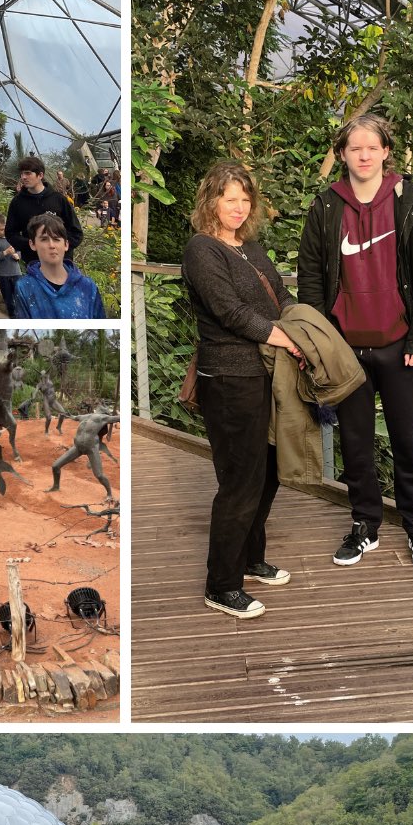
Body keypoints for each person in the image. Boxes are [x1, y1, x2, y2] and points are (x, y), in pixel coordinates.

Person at [298, 113, 413, 571]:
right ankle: (364, 525)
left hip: (402, 346)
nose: (363, 155)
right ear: (342, 154)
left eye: (372, 146)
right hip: (345, 351)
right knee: (356, 443)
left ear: (386, 151)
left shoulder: (411, 202)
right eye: (354, 147)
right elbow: (310, 283)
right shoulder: (326, 208)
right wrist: (321, 346)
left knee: (409, 441)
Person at [181, 161, 304, 620]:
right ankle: (222, 584)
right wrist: (286, 339)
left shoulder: (249, 245)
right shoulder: (201, 249)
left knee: (269, 470)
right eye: (229, 198)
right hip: (230, 377)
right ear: (211, 201)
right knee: (239, 480)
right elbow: (229, 312)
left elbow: (278, 296)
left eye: (245, 199)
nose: (238, 207)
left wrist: (302, 326)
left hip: (268, 373)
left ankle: (251, 559)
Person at [13, 214, 106, 319]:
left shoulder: (88, 287)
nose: (52, 245)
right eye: (44, 239)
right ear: (32, 244)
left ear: (66, 244)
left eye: (56, 239)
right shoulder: (25, 287)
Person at [4, 156, 83, 267]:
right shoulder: (17, 202)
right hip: (34, 263)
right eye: (21, 174)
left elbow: (76, 232)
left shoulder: (58, 199)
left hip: (62, 264)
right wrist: (32, 245)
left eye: (28, 173)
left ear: (40, 175)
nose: (23, 177)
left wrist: (59, 246)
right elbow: (11, 233)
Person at [0, 214, 24, 318]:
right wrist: (5, 252)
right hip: (3, 275)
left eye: (6, 228)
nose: (5, 231)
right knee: (8, 300)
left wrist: (18, 255)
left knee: (20, 297)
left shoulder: (13, 237)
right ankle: (12, 318)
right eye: (2, 229)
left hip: (16, 273)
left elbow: (19, 251)